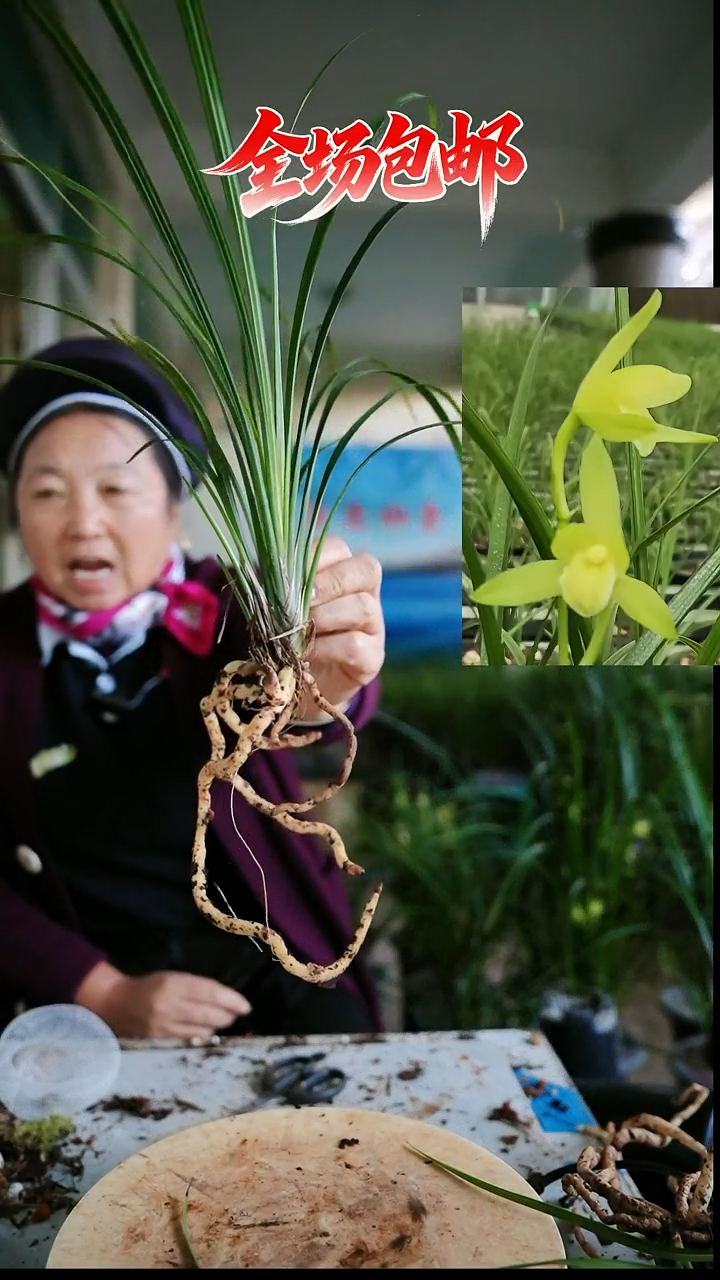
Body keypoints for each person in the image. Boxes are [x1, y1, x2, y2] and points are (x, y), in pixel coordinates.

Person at [0, 337, 385, 1042]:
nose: (84, 522)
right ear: (19, 516)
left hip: (274, 971)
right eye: (48, 491)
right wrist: (101, 991)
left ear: (173, 507)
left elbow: (295, 684)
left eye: (116, 488)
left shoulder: (228, 608)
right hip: (87, 1007)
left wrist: (327, 683)